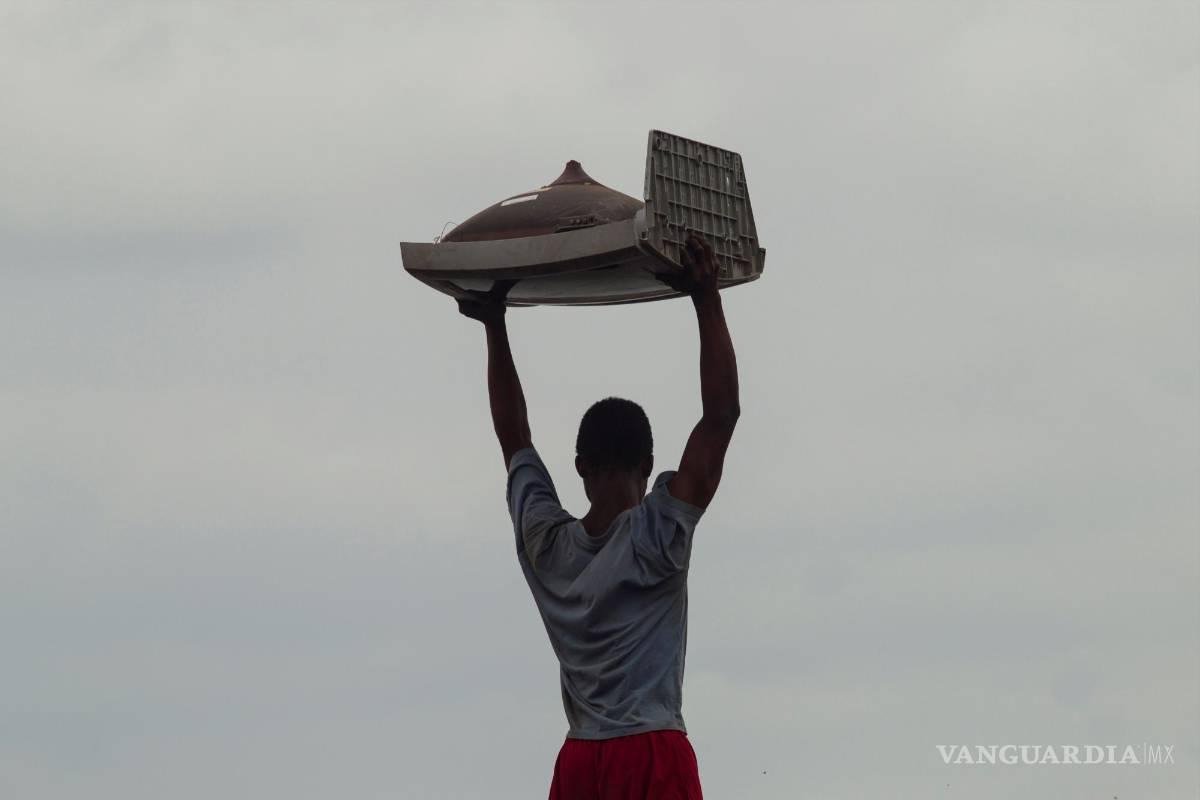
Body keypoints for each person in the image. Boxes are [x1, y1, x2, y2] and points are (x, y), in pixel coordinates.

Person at [457, 234, 740, 799]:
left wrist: (493, 321)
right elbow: (721, 416)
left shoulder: (546, 546)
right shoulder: (659, 535)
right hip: (652, 752)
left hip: (580, 762)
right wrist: (705, 297)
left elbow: (514, 436)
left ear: (580, 466)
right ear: (649, 465)